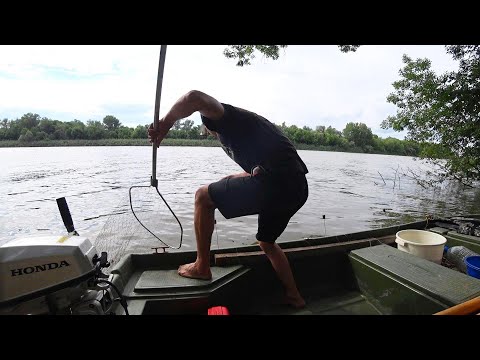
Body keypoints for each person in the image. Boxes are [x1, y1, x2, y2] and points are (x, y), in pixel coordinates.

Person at [148, 90, 309, 308]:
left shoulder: (227, 118)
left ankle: (202, 267)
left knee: (203, 197)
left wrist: (165, 123)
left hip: (276, 184)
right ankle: (294, 296)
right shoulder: (251, 131)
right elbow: (268, 164)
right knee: (266, 242)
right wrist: (234, 177)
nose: (209, 132)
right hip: (296, 188)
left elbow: (194, 97)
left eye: (206, 130)